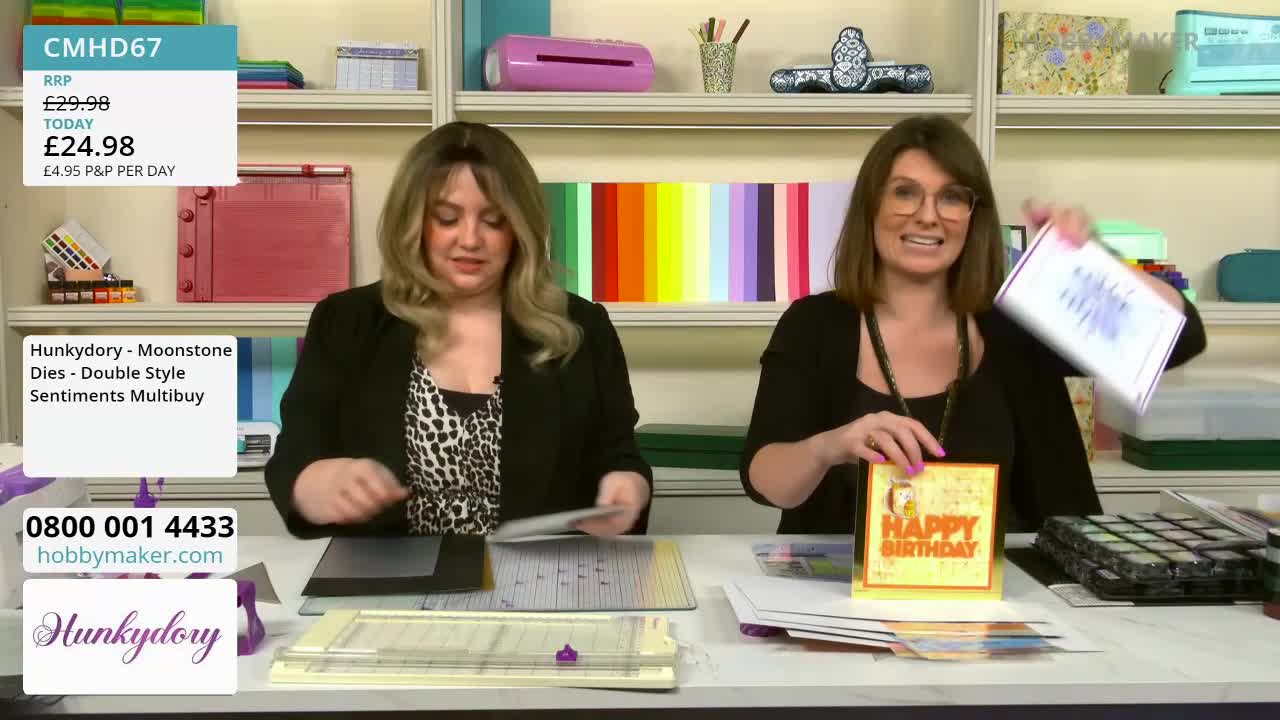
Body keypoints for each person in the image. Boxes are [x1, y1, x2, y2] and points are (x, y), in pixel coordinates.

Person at [740, 114, 1207, 534]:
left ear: (972, 217)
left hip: (1017, 587)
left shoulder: (1021, 321)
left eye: (951, 197)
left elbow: (1181, 339)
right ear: (871, 207)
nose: (928, 216)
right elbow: (764, 482)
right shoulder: (813, 324)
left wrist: (1096, 261)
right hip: (844, 588)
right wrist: (829, 446)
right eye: (905, 192)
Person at [264, 121, 653, 539]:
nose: (470, 239)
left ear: (519, 229)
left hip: (539, 573)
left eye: (494, 220)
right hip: (383, 576)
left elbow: (621, 456)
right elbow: (293, 458)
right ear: (413, 222)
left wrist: (629, 486)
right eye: (447, 218)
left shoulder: (581, 327)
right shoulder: (346, 320)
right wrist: (316, 484)